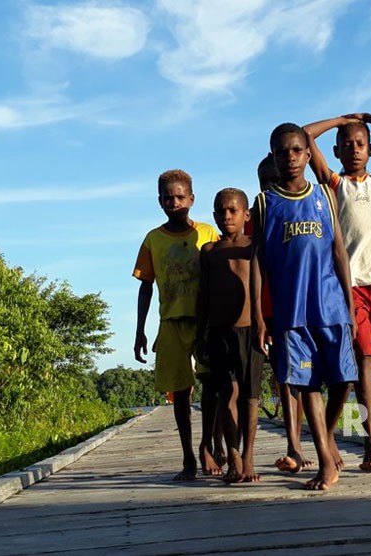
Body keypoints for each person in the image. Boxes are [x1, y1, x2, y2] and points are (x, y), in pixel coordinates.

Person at [304, 113, 371, 472]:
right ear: (336, 150)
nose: (353, 149)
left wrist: (367, 118)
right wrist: (341, 120)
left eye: (360, 143)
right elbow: (306, 135)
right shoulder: (333, 184)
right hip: (350, 288)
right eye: (347, 144)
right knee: (364, 359)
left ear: (370, 149)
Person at [251, 123, 358, 491]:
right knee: (307, 383)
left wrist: (350, 302)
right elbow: (258, 262)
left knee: (345, 378)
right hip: (291, 311)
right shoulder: (265, 202)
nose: (290, 158)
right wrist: (259, 317)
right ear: (273, 157)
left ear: (308, 154)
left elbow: (339, 250)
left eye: (296, 151)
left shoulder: (324, 195)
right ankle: (327, 462)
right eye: (282, 153)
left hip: (329, 303)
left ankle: (325, 438)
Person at [133, 169, 221, 481]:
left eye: (180, 196)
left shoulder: (208, 234)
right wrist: (140, 331)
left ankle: (207, 446)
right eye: (168, 198)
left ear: (192, 199)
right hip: (169, 323)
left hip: (205, 323)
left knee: (212, 386)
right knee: (181, 393)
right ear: (159, 201)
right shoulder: (153, 240)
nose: (174, 202)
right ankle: (187, 458)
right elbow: (145, 285)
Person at [197, 188, 264, 483]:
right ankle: (233, 454)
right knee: (227, 393)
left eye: (233, 211)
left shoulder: (254, 246)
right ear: (214, 216)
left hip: (251, 330)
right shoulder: (209, 252)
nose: (227, 216)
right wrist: (201, 334)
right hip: (219, 332)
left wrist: (265, 325)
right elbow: (203, 296)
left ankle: (248, 456)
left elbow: (263, 291)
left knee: (250, 397)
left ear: (246, 215)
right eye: (221, 211)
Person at [256, 153, 313, 473]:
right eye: (265, 182)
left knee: (297, 379)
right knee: (281, 378)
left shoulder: (298, 214)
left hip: (295, 308)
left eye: (275, 181)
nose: (271, 187)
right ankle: (290, 443)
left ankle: (297, 442)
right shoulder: (256, 215)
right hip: (264, 311)